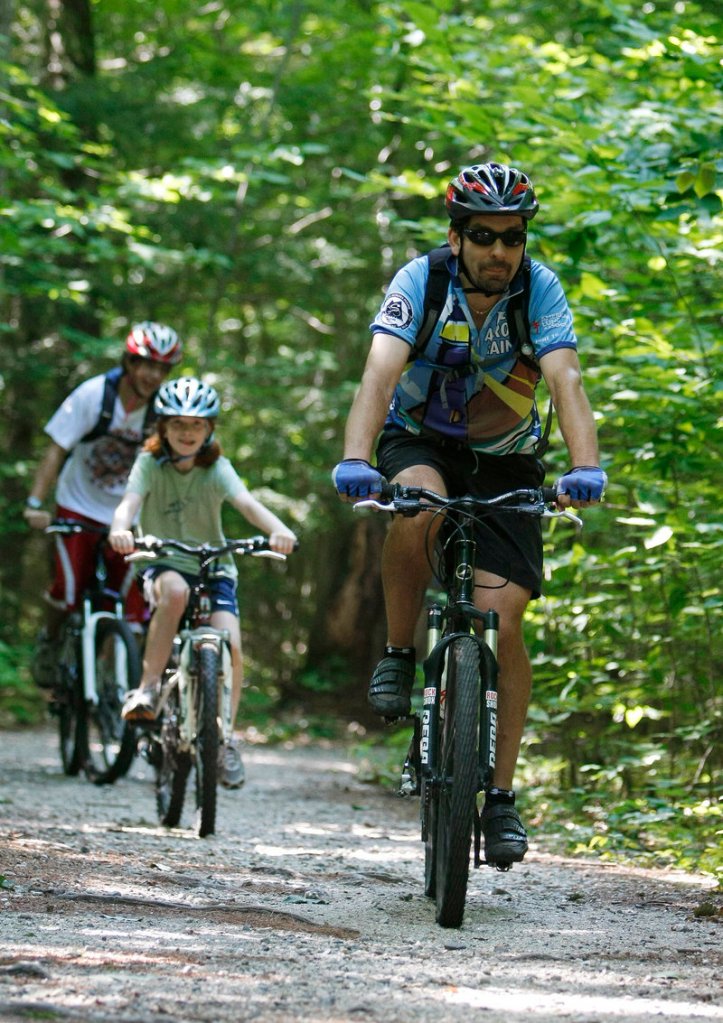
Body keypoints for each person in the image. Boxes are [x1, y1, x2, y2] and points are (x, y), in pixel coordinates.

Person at [332, 161, 606, 865]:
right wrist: (356, 456)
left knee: (504, 618)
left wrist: (583, 467)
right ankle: (397, 654)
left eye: (511, 237)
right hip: (418, 438)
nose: (498, 251)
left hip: (509, 459)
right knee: (416, 508)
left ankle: (503, 799)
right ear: (455, 237)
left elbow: (564, 376)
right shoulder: (419, 282)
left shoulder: (536, 290)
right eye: (482, 235)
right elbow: (379, 370)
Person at [109, 376, 298, 789]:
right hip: (161, 561)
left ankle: (225, 741)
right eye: (178, 424)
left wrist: (280, 531)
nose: (187, 433)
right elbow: (129, 504)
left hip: (213, 567)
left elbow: (247, 504)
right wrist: (121, 529)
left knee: (229, 642)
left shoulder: (217, 469)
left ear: (209, 429)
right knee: (173, 592)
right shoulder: (149, 465)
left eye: (196, 425)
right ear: (162, 428)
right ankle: (147, 688)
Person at [23, 322, 183, 686]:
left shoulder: (163, 410)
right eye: (146, 364)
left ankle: (110, 678)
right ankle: (50, 642)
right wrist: (35, 502)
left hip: (127, 515)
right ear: (128, 362)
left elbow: (175, 466)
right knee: (67, 589)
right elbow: (56, 450)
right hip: (77, 505)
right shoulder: (93, 395)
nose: (153, 375)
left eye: (162, 368)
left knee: (131, 604)